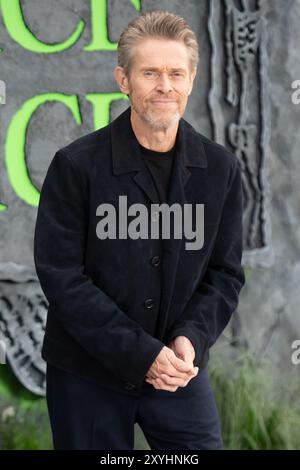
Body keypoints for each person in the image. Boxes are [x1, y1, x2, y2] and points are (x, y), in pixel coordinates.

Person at [34, 10, 245, 450]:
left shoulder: (220, 168)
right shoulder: (76, 167)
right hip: (85, 374)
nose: (164, 85)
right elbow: (62, 277)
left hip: (177, 371)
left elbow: (225, 274)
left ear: (191, 80)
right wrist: (140, 354)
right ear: (124, 80)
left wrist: (191, 339)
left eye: (175, 73)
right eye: (150, 72)